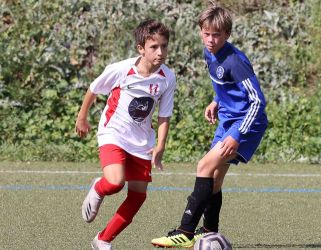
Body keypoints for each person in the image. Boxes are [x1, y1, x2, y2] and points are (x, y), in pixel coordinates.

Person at [151, 4, 268, 248]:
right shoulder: (209, 53)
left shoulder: (235, 61)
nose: (211, 39)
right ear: (201, 31)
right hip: (228, 119)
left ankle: (185, 232)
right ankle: (209, 232)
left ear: (227, 34)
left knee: (204, 165)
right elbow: (227, 85)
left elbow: (257, 101)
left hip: (245, 123)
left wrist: (237, 134)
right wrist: (216, 100)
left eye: (216, 34)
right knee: (214, 178)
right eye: (206, 33)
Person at [75, 19, 176, 250]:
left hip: (142, 142)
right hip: (114, 133)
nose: (160, 52)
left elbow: (164, 114)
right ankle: (99, 187)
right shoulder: (122, 69)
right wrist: (82, 117)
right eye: (154, 47)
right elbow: (93, 89)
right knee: (115, 182)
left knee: (138, 196)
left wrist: (160, 145)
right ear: (141, 48)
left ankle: (102, 240)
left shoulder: (167, 77)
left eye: (164, 46)